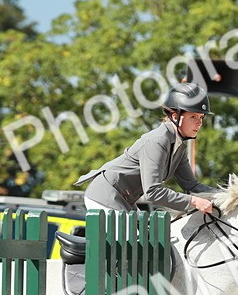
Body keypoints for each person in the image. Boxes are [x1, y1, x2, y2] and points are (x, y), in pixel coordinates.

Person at [75, 82, 217, 215]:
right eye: (193, 117)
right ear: (175, 116)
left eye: (201, 117)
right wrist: (193, 201)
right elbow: (153, 192)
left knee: (149, 239)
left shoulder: (179, 145)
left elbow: (192, 186)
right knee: (136, 241)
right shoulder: (158, 140)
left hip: (124, 200)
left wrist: (227, 195)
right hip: (104, 195)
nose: (199, 123)